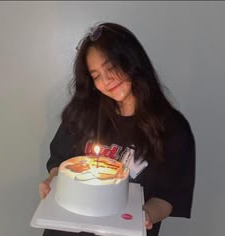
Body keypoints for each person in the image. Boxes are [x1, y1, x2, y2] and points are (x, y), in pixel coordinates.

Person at [39, 22, 195, 236]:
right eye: (96, 75)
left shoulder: (173, 129)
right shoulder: (83, 113)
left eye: (111, 67)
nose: (106, 80)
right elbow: (59, 164)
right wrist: (51, 181)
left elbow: (168, 197)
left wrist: (145, 215)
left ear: (132, 60)